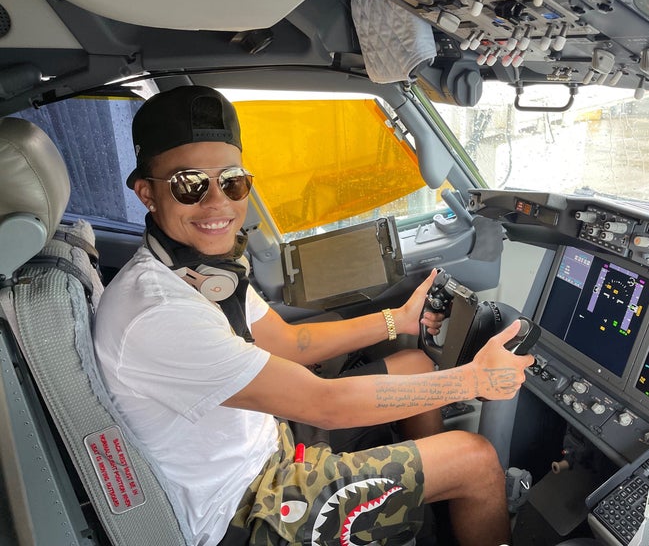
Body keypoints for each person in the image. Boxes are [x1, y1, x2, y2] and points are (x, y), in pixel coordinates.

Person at [93, 85, 534, 546]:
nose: (218, 203)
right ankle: (456, 487)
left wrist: (399, 320)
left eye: (232, 181)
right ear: (147, 193)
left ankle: (433, 512)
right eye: (190, 185)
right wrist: (474, 381)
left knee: (417, 364)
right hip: (243, 506)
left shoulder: (199, 272)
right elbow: (326, 405)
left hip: (263, 441)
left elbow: (289, 343)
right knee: (475, 459)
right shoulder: (159, 311)